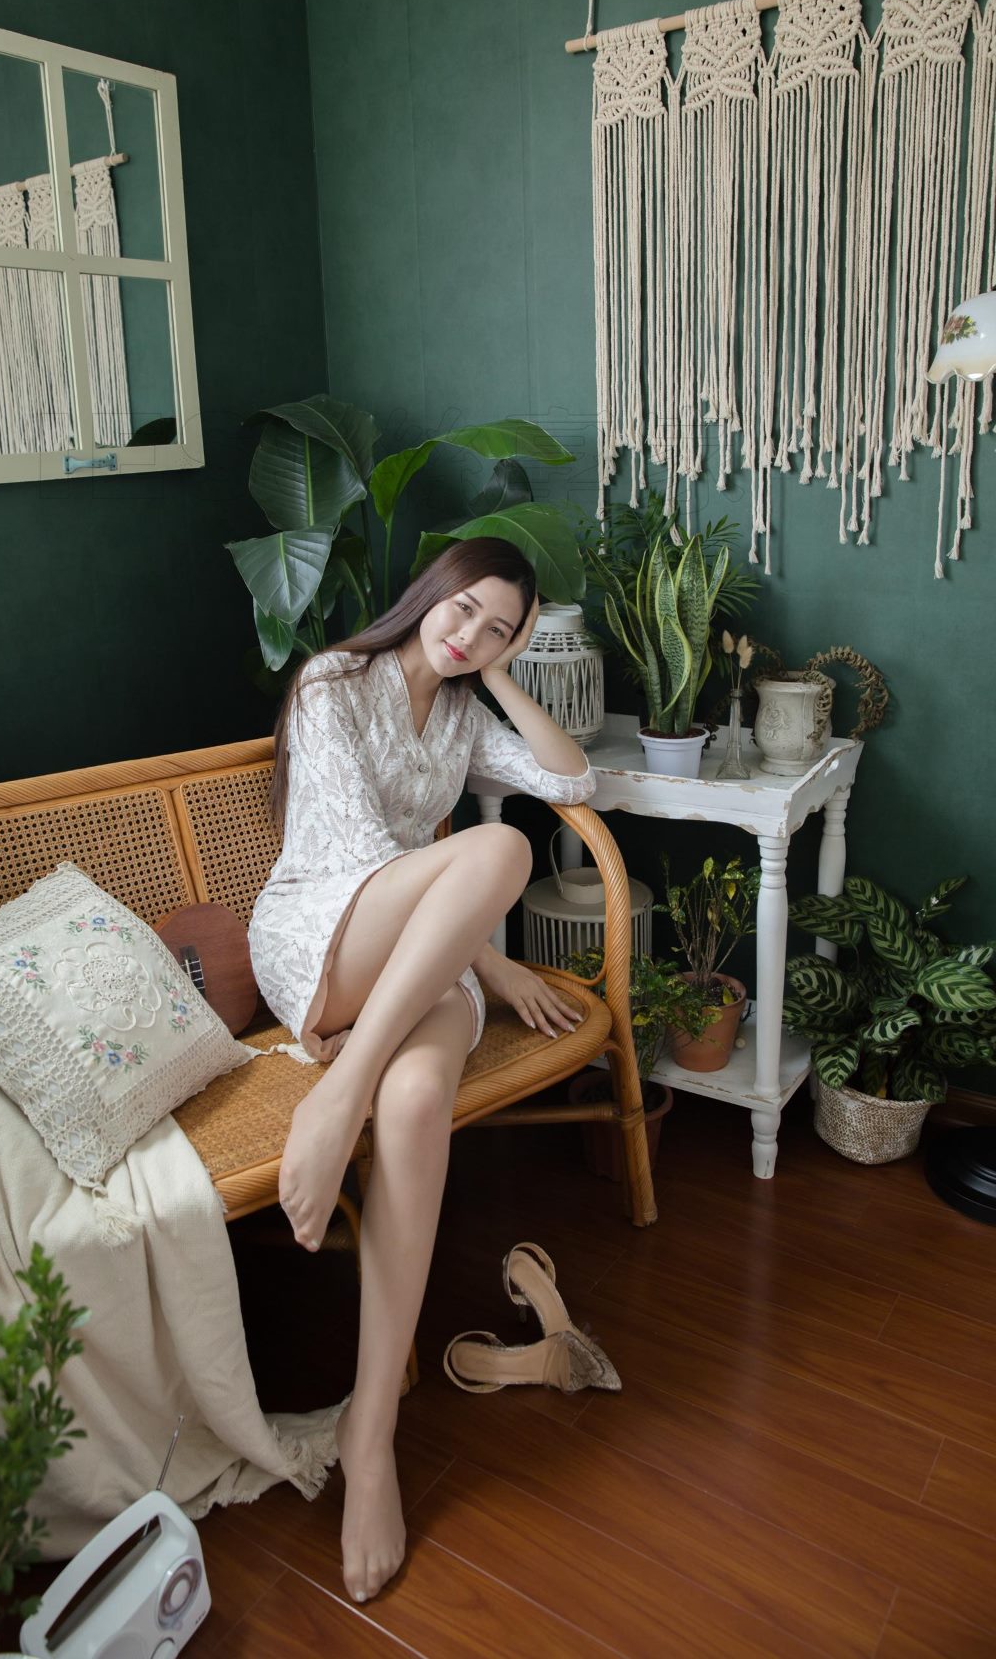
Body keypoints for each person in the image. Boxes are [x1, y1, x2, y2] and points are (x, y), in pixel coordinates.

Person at [247, 536, 596, 1604]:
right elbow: (367, 862)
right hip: (323, 940)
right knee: (504, 851)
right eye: (464, 609)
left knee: (413, 1103)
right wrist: (490, 954)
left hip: (419, 973)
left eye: (498, 629)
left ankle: (372, 1434)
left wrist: (502, 680)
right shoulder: (331, 683)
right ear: (430, 591)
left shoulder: (462, 716)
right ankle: (337, 1091)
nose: (469, 634)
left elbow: (575, 777)